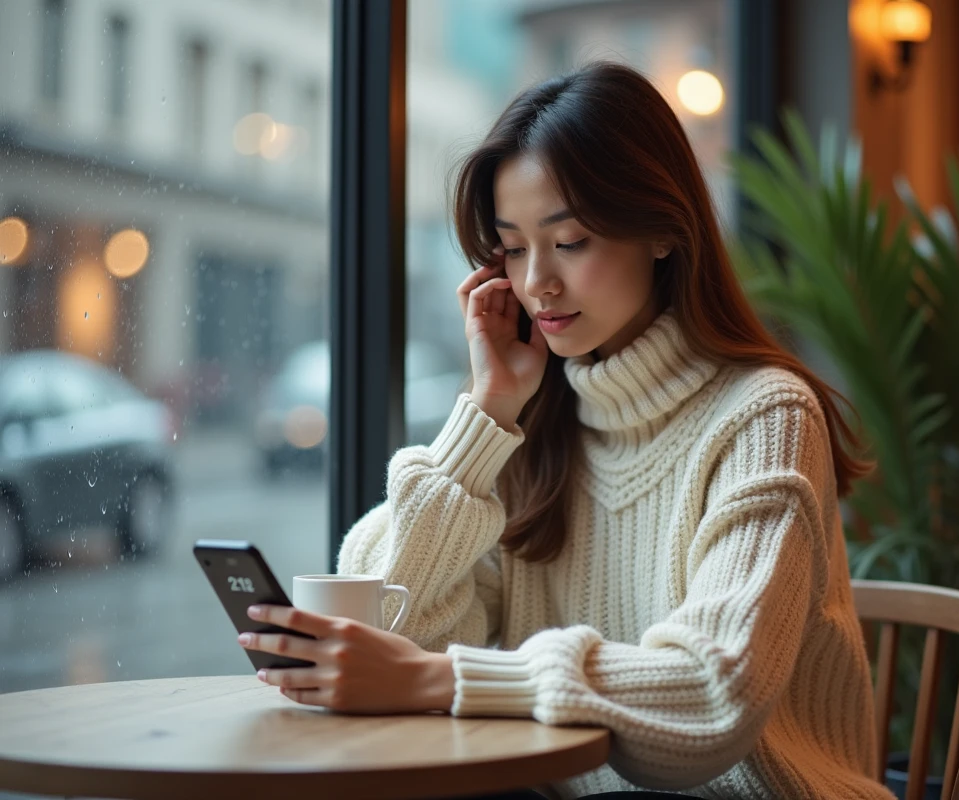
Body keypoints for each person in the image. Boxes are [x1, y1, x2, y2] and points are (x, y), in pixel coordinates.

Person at [238, 61, 892, 800]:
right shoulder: (535, 425)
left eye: (570, 240)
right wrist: (485, 414)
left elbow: (713, 697)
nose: (537, 282)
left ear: (662, 232)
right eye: (514, 248)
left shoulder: (765, 415)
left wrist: (438, 679)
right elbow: (395, 626)